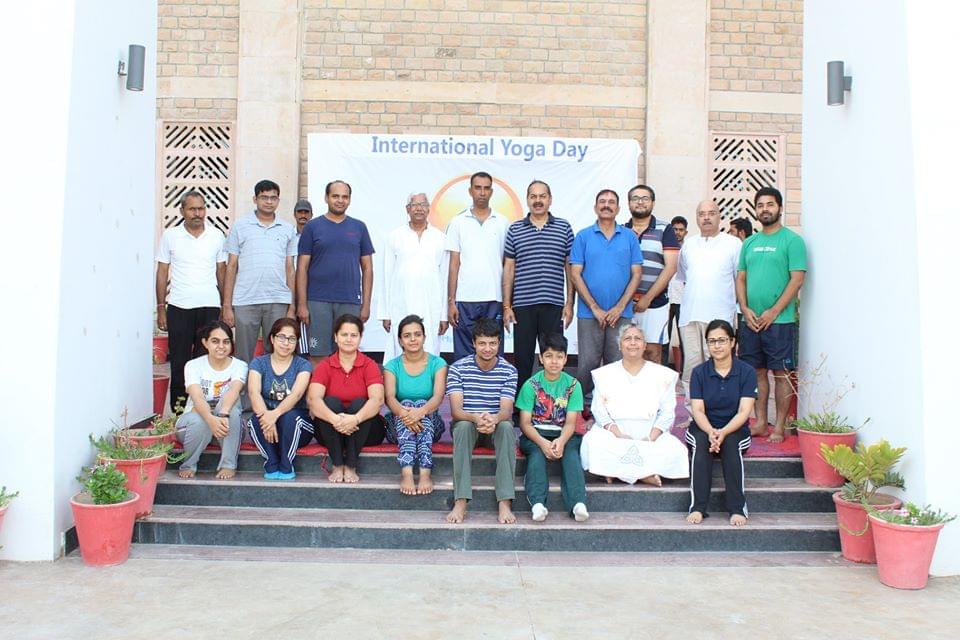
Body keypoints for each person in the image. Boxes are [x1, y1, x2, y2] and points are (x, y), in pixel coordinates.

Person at [736, 187, 807, 442]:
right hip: (751, 321)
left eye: (770, 204)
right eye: (760, 205)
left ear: (780, 208)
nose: (765, 209)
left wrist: (773, 311)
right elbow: (741, 278)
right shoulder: (749, 243)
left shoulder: (792, 241)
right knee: (756, 372)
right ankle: (761, 423)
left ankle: (779, 426)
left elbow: (797, 279)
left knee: (780, 373)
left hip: (781, 322)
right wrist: (744, 308)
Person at [579, 324, 689, 485]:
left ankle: (616, 472)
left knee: (675, 450)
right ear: (619, 345)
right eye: (627, 338)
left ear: (645, 345)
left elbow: (667, 412)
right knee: (593, 443)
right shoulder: (604, 374)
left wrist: (651, 438)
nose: (632, 342)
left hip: (650, 433)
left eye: (637, 339)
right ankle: (644, 475)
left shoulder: (663, 375)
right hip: (614, 434)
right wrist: (618, 435)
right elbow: (598, 410)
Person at [569, 189, 643, 410]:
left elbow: (636, 273)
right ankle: (580, 407)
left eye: (611, 202)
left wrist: (619, 308)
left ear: (619, 209)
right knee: (587, 363)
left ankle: (613, 407)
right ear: (595, 207)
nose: (607, 205)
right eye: (602, 201)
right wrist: (595, 308)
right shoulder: (583, 236)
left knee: (617, 363)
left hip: (621, 314)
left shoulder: (629, 237)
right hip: (589, 313)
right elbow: (575, 273)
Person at [156, 191, 226, 412]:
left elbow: (222, 272)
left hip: (209, 306)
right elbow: (162, 272)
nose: (197, 213)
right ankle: (178, 413)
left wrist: (226, 307)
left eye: (201, 208)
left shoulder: (216, 235)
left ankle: (201, 411)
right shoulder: (171, 236)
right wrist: (161, 308)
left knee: (206, 361)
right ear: (182, 211)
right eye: (192, 209)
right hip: (179, 306)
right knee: (179, 363)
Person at [502, 179, 575, 393]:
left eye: (542, 196)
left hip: (553, 304)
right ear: (527, 200)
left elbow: (569, 268)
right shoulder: (515, 229)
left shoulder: (564, 227)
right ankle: (521, 408)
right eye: (533, 196)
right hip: (522, 306)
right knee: (523, 359)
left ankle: (552, 405)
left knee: (553, 357)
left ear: (550, 199)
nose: (538, 200)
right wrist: (507, 306)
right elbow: (509, 269)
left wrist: (570, 303)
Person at [445, 318, 518, 525]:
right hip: (468, 425)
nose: (488, 348)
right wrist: (476, 418)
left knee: (505, 426)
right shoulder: (458, 368)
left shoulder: (509, 370)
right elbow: (457, 411)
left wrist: (493, 419)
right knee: (463, 427)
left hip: (494, 427)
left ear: (499, 343)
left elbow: (506, 410)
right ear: (474, 343)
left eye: (493, 343)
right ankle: (461, 500)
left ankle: (504, 501)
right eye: (483, 343)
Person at [685, 319, 757, 526]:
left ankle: (737, 508)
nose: (716, 346)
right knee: (701, 446)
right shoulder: (699, 372)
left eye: (722, 340)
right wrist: (711, 432)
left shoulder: (746, 372)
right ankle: (698, 507)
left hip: (735, 428)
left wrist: (723, 432)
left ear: (733, 342)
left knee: (731, 445)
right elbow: (697, 410)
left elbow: (744, 412)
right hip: (703, 426)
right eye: (711, 341)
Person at [297, 180, 375, 366]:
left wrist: (366, 304)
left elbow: (367, 268)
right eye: (335, 196)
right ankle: (317, 395)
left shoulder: (359, 227)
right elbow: (302, 267)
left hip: (349, 300)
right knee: (319, 354)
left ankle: (343, 395)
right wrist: (302, 304)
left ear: (349, 200)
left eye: (344, 197)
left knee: (348, 351)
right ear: (326, 198)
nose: (340, 200)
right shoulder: (312, 227)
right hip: (317, 301)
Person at [222, 179, 298, 367]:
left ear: (278, 200)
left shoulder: (288, 229)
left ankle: (269, 394)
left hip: (278, 300)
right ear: (255, 199)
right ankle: (243, 395)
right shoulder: (240, 226)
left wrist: (292, 305)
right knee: (242, 356)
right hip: (246, 300)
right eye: (264, 197)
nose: (269, 202)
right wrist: (227, 305)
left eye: (273, 198)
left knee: (277, 353)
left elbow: (290, 268)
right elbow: (231, 266)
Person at [516, 333, 589, 522]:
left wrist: (562, 442)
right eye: (548, 356)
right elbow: (524, 423)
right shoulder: (531, 385)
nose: (554, 361)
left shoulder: (573, 385)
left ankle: (578, 503)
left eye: (559, 356)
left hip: (564, 432)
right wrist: (542, 443)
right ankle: (538, 504)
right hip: (536, 433)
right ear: (541, 358)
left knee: (572, 455)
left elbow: (571, 422)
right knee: (537, 455)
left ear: (565, 359)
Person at [306, 314, 386, 483]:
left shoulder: (369, 365)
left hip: (365, 429)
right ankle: (337, 464)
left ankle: (350, 465)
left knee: (360, 403)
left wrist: (355, 419)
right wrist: (336, 420)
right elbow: (314, 400)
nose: (349, 339)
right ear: (335, 337)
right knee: (330, 402)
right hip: (331, 428)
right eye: (344, 334)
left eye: (353, 335)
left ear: (360, 338)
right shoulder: (325, 366)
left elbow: (377, 400)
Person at [677, 200, 742, 400]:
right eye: (701, 214)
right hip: (689, 317)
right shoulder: (688, 244)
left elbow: (740, 279)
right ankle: (693, 416)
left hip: (719, 318)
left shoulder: (733, 244)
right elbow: (684, 276)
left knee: (720, 368)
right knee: (691, 370)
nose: (706, 217)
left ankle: (720, 413)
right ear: (696, 218)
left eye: (711, 213)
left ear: (719, 216)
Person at [445, 172, 510, 360]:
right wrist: (451, 302)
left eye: (486, 188)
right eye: (478, 187)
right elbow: (453, 265)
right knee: (464, 355)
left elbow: (508, 265)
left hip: (494, 298)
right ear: (470, 191)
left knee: (492, 352)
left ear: (491, 191)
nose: (482, 192)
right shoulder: (457, 222)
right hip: (465, 299)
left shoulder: (503, 222)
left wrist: (507, 304)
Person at [377, 193, 449, 360]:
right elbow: (386, 275)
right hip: (400, 304)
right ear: (407, 209)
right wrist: (385, 313)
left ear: (429, 209)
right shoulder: (395, 236)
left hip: (431, 306)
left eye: (423, 204)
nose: (419, 208)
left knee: (430, 350)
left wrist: (443, 315)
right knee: (399, 350)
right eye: (414, 204)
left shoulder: (440, 238)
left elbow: (445, 278)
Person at [383, 315, 448, 496]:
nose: (413, 339)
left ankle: (421, 472)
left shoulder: (438, 363)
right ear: (400, 340)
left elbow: (438, 396)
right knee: (406, 402)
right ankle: (410, 473)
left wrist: (419, 412)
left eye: (417, 334)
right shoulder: (391, 365)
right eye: (407, 335)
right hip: (398, 425)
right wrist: (406, 414)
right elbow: (389, 398)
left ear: (425, 338)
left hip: (430, 424)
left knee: (420, 402)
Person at [175, 321, 248, 480]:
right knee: (199, 419)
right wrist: (210, 419)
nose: (221, 346)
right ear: (205, 343)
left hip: (226, 427)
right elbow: (197, 397)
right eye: (215, 341)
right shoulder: (193, 366)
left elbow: (234, 390)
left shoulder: (239, 366)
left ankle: (228, 464)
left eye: (226, 341)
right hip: (192, 428)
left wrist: (221, 416)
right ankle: (188, 464)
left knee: (231, 406)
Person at [246, 318, 313, 481]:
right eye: (281, 337)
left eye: (291, 339)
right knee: (254, 421)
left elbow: (296, 394)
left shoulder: (303, 365)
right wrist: (266, 418)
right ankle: (271, 462)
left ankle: (286, 464)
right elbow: (254, 393)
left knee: (290, 418)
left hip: (297, 424)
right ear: (272, 339)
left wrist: (273, 415)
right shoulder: (259, 363)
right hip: (268, 422)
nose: (286, 343)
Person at [625, 184, 680, 363]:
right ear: (628, 203)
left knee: (652, 352)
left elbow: (671, 267)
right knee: (626, 351)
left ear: (653, 203)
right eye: (635, 198)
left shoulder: (665, 229)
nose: (640, 202)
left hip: (655, 303)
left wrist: (647, 298)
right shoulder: (621, 231)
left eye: (645, 198)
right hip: (625, 304)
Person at [665, 216, 688, 369]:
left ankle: (684, 372)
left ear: (685, 232)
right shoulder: (665, 248)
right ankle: (662, 369)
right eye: (675, 230)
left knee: (684, 337)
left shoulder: (688, 250)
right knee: (663, 337)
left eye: (681, 230)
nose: (678, 233)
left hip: (683, 299)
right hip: (665, 298)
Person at [293, 199, 314, 358]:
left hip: (309, 289)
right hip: (288, 289)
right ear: (295, 214)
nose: (303, 215)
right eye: (300, 212)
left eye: (306, 212)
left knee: (308, 335)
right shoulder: (288, 236)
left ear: (311, 215)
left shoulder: (316, 236)